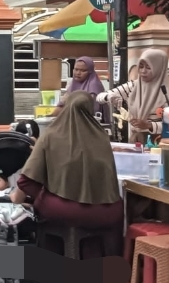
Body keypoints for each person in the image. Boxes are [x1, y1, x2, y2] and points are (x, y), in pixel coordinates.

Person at [9, 91, 122, 230]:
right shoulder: (102, 137)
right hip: (107, 212)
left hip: (64, 211)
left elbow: (26, 181)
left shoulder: (50, 135)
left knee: (47, 201)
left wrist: (26, 198)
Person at [97, 48, 169, 143]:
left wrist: (149, 125)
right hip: (135, 141)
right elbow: (100, 97)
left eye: (148, 67)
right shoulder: (133, 86)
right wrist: (110, 97)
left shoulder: (166, 93)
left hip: (157, 142)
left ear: (159, 68)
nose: (143, 71)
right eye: (141, 66)